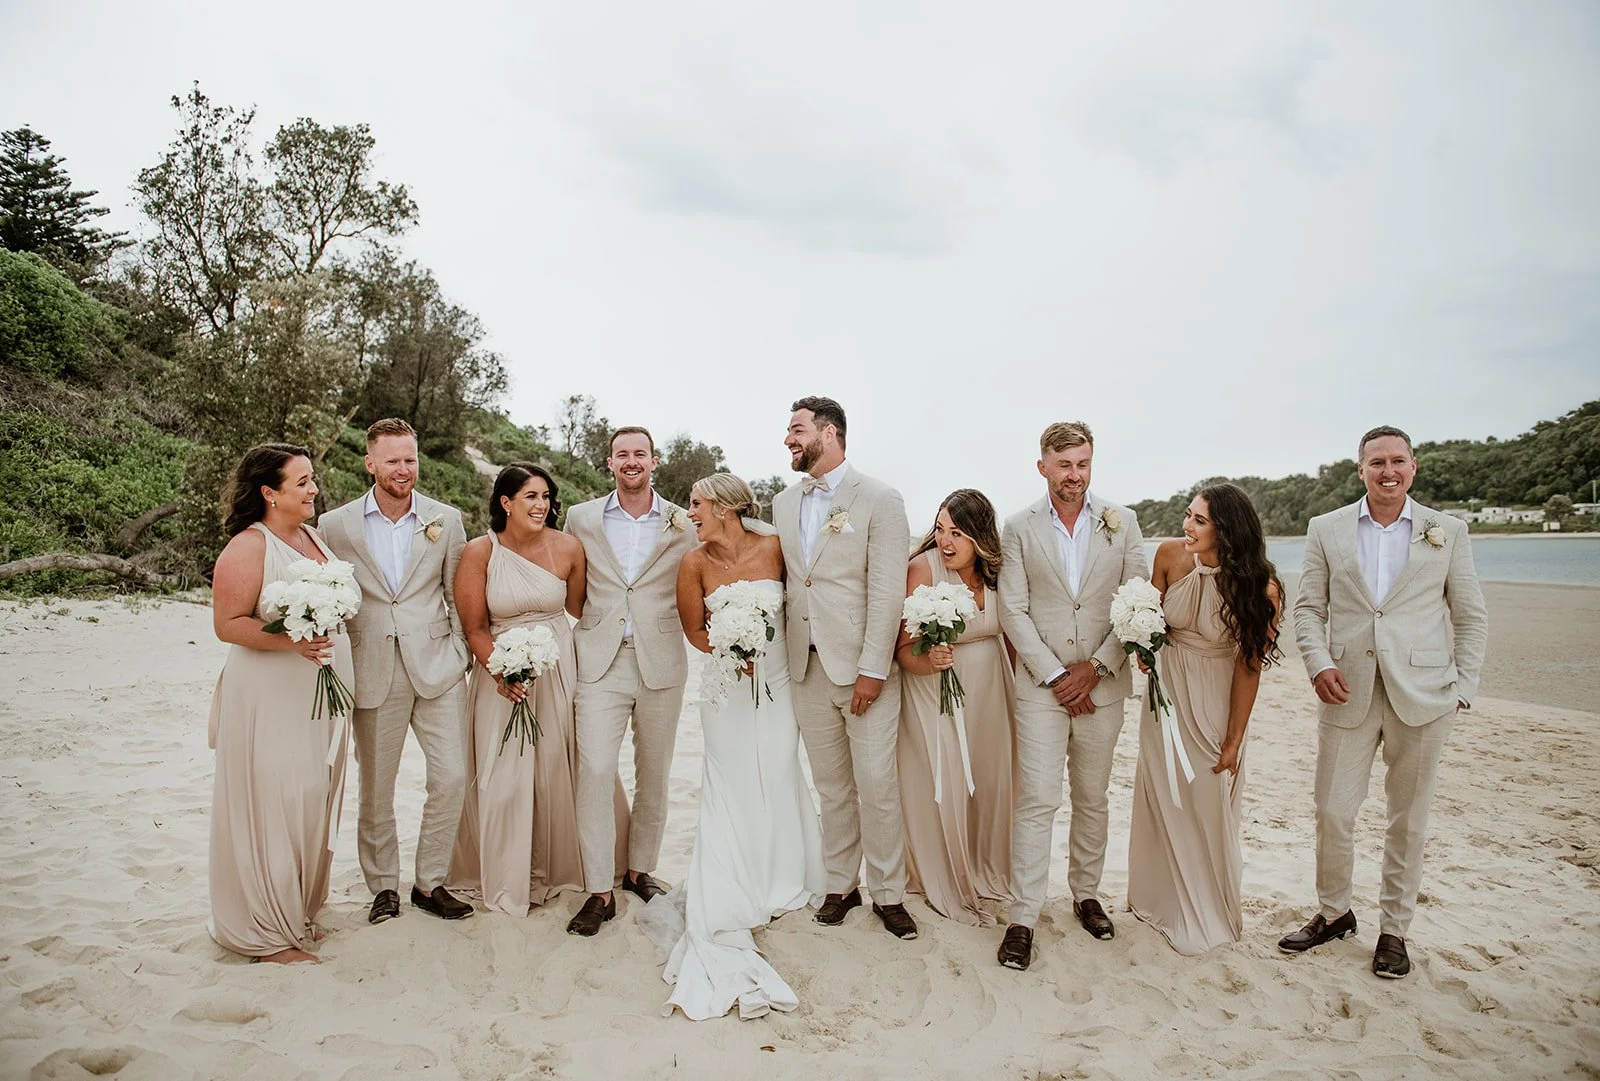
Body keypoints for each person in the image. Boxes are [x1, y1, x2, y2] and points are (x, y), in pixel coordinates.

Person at [1280, 425, 1488, 979]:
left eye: (1398, 461)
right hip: (1345, 688)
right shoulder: (1326, 528)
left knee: (1408, 820)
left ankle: (1394, 931)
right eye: (1377, 463)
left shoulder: (1448, 530)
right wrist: (1319, 663)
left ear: (1414, 467)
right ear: (1361, 470)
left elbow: (1469, 615)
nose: (1388, 471)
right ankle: (1334, 911)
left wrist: (1463, 687)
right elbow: (1307, 610)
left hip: (1424, 696)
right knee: (1333, 811)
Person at [636, 473, 825, 1020]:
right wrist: (727, 646)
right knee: (731, 779)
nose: (689, 512)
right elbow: (695, 630)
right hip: (724, 691)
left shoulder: (775, 548)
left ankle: (781, 874)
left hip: (779, 685)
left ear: (723, 506)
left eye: (696, 504)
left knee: (780, 770)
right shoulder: (693, 563)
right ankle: (734, 879)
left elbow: (802, 607)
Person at [996, 421, 1147, 970]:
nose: (1074, 476)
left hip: (1103, 687)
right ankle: (1023, 916)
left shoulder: (1123, 522)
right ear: (1043, 467)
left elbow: (1137, 602)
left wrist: (1099, 667)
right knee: (1037, 799)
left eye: (1082, 464)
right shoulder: (1018, 527)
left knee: (1092, 797)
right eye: (1064, 466)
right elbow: (1012, 610)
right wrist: (1058, 676)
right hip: (1041, 689)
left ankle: (1086, 895)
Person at [447, 465, 628, 912]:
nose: (541, 505)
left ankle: (564, 865)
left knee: (556, 768)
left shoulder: (568, 548)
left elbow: (582, 609)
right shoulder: (478, 552)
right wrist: (499, 672)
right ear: (505, 503)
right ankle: (506, 871)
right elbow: (474, 627)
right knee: (504, 777)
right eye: (530, 496)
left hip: (558, 668)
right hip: (500, 673)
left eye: (546, 496)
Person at [773, 396, 918, 940]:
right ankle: (841, 885)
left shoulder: (880, 499)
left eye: (796, 429)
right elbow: (794, 582)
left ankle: (888, 893)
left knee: (877, 784)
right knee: (831, 787)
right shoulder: (784, 502)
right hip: (805, 667)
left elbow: (886, 591)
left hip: (862, 669)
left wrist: (873, 668)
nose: (788, 439)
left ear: (828, 433)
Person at [319, 418, 473, 924]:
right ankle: (383, 886)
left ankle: (430, 883)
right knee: (377, 786)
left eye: (410, 460)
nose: (403, 470)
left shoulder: (445, 520)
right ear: (370, 463)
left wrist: (460, 654)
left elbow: (456, 594)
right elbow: (331, 596)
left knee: (452, 777)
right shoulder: (335, 525)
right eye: (392, 461)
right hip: (372, 668)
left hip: (438, 668)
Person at [208, 443, 353, 963]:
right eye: (303, 483)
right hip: (270, 692)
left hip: (317, 691)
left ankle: (295, 910)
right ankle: (265, 932)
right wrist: (293, 643)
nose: (314, 489)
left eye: (312, 479)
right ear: (269, 493)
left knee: (310, 794)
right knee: (276, 797)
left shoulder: (313, 536)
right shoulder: (250, 546)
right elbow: (228, 624)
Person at [1126, 483, 1282, 954]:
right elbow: (1147, 619)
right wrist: (1143, 648)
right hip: (1166, 692)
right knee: (1164, 793)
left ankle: (1209, 908)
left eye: (1198, 520)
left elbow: (1248, 666)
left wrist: (1233, 740)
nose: (1186, 526)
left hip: (1216, 697)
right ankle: (1157, 899)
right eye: (1188, 515)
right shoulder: (1170, 556)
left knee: (1207, 797)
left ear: (1227, 532)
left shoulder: (1261, 587)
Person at [565, 427, 697, 936]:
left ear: (654, 461)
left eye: (640, 453)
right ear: (610, 462)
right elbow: (573, 583)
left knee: (655, 772)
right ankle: (599, 889)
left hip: (662, 657)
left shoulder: (683, 522)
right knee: (595, 767)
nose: (631, 461)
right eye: (622, 454)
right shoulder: (581, 517)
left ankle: (639, 869)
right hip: (599, 660)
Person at [895, 489, 1016, 926]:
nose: (946, 542)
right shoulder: (922, 570)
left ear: (981, 538)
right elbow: (903, 650)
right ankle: (942, 872)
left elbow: (1013, 635)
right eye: (941, 529)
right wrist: (930, 660)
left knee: (988, 779)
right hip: (936, 693)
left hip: (992, 692)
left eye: (958, 533)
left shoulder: (1000, 574)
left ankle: (984, 866)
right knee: (943, 782)